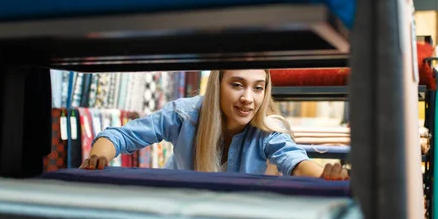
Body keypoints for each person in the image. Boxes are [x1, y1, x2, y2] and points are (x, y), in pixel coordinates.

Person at [81, 69, 348, 179]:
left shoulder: (267, 130)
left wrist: (324, 175)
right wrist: (98, 157)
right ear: (218, 85)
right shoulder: (184, 115)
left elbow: (294, 160)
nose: (248, 98)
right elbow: (120, 136)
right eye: (237, 85)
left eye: (258, 88)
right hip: (180, 208)